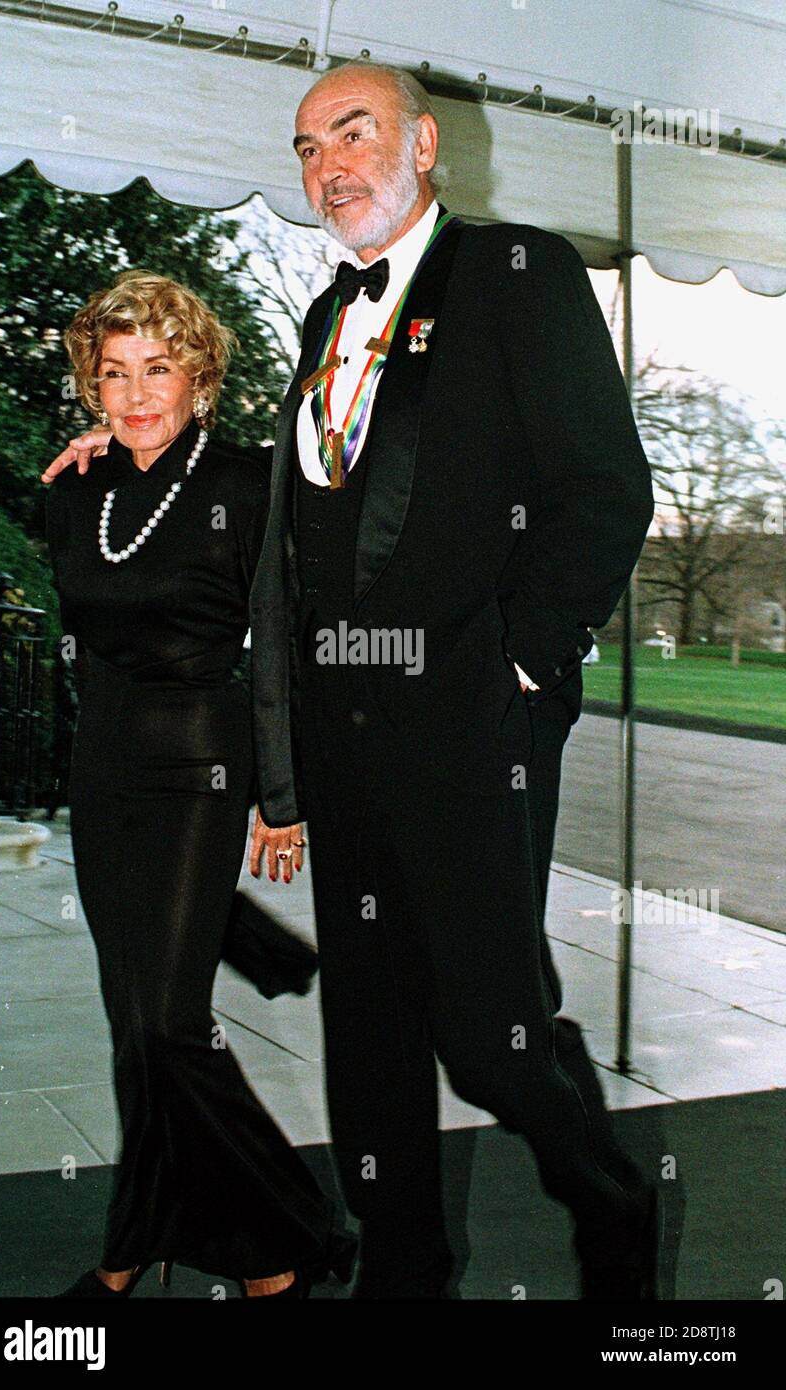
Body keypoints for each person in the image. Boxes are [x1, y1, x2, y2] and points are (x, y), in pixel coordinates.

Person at [43, 65, 660, 1301]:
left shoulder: (516, 273)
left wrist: (522, 665)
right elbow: (300, 507)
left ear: (423, 145)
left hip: (471, 727)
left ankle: (615, 1213)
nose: (327, 165)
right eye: (306, 146)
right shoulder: (328, 314)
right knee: (367, 1039)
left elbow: (604, 490)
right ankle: (400, 1277)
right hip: (343, 734)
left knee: (488, 1040)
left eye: (352, 132)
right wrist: (135, 436)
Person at [44, 270, 356, 1298]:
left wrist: (281, 796)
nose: (135, 394)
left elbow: (283, 646)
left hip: (200, 764)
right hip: (104, 769)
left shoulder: (247, 482)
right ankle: (140, 1243)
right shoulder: (76, 487)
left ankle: (284, 1239)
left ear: (199, 376)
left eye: (158, 369)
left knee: (170, 1022)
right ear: (91, 382)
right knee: (133, 1022)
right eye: (114, 372)